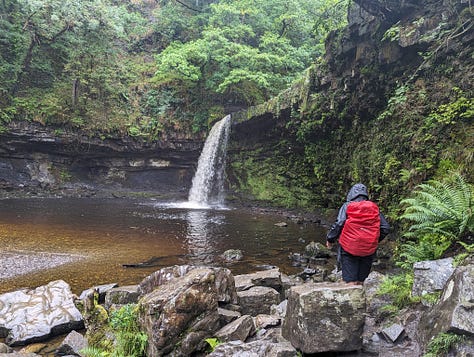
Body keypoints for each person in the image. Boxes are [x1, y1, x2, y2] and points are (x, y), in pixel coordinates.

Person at [326, 183, 390, 285]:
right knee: (362, 280)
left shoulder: (347, 206)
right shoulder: (374, 207)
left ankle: (352, 297)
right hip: (368, 249)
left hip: (349, 248)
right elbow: (385, 228)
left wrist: (330, 239)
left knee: (350, 281)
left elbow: (339, 223)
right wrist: (374, 240)